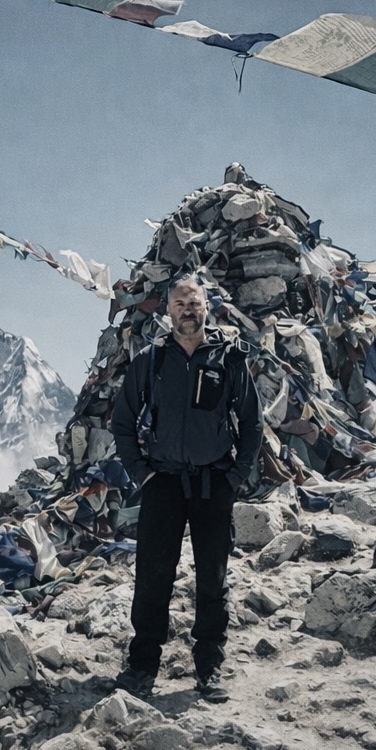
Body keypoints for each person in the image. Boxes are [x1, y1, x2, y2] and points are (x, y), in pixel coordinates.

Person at [110, 276, 263, 702]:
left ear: (206, 306)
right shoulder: (152, 359)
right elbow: (123, 421)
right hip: (162, 482)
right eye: (179, 304)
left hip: (215, 481)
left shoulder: (229, 358)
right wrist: (142, 473)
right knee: (152, 576)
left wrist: (236, 477)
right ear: (167, 312)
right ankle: (142, 666)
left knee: (213, 577)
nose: (188, 311)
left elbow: (252, 422)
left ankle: (209, 667)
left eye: (194, 303)